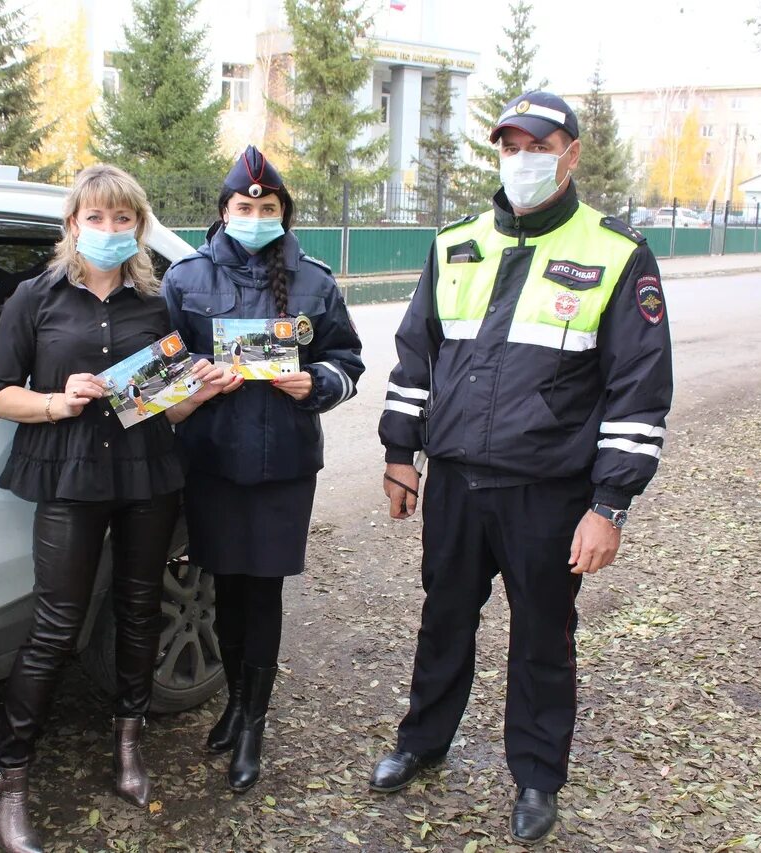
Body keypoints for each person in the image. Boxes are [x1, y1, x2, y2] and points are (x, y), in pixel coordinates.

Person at [371, 91, 674, 844]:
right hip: (456, 486)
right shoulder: (455, 243)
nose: (522, 159)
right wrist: (399, 454)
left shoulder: (615, 250)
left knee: (543, 634)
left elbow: (640, 390)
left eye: (537, 146)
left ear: (570, 153)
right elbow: (417, 358)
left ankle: (538, 775)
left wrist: (610, 504)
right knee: (443, 620)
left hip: (548, 492)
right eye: (509, 145)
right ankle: (422, 740)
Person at [0, 164, 228, 853]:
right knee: (57, 625)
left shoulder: (156, 302)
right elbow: (0, 394)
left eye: (124, 220)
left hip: (147, 470)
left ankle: (128, 744)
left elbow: (169, 403)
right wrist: (58, 399)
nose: (111, 230)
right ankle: (9, 778)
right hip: (67, 469)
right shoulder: (35, 299)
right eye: (98, 218)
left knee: (139, 606)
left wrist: (206, 388)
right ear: (73, 224)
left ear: (138, 227)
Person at [163, 146, 364, 793]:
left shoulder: (314, 280)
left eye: (267, 207)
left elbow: (348, 358)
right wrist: (190, 381)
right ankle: (232, 704)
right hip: (212, 460)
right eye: (244, 206)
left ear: (282, 213)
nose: (255, 215)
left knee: (265, 590)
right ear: (223, 212)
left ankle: (253, 722)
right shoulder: (185, 279)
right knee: (223, 583)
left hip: (282, 464)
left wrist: (319, 383)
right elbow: (157, 368)